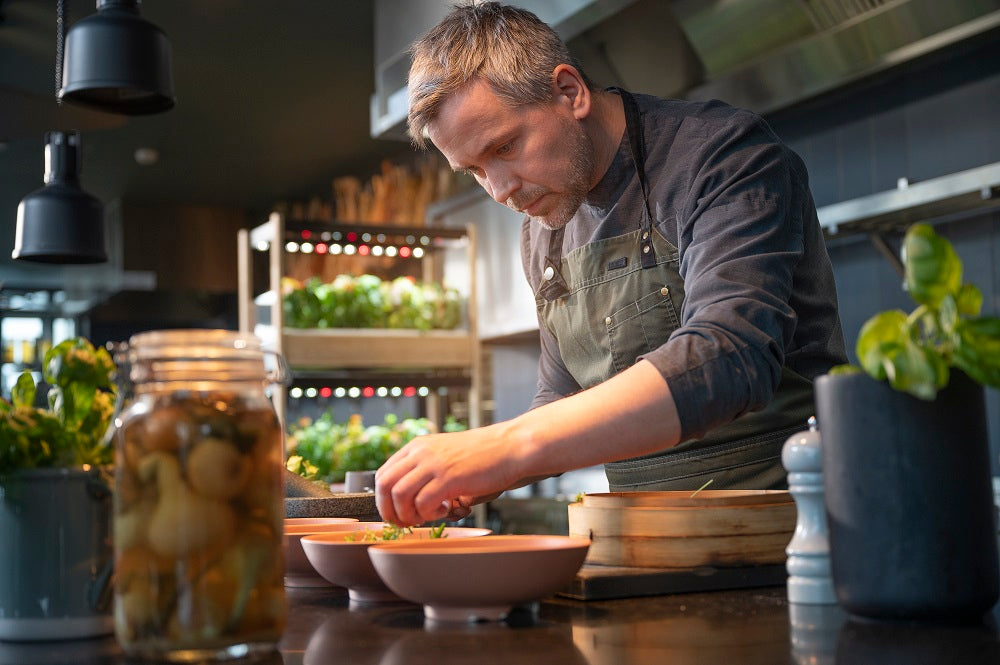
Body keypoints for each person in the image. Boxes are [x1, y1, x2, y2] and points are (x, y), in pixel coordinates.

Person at [375, 1, 846, 527]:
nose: (500, 190)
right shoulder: (544, 227)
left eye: (505, 146)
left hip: (786, 530)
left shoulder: (723, 155)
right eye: (475, 172)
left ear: (569, 92)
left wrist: (503, 447)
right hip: (638, 543)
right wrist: (475, 473)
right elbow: (560, 397)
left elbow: (730, 356)